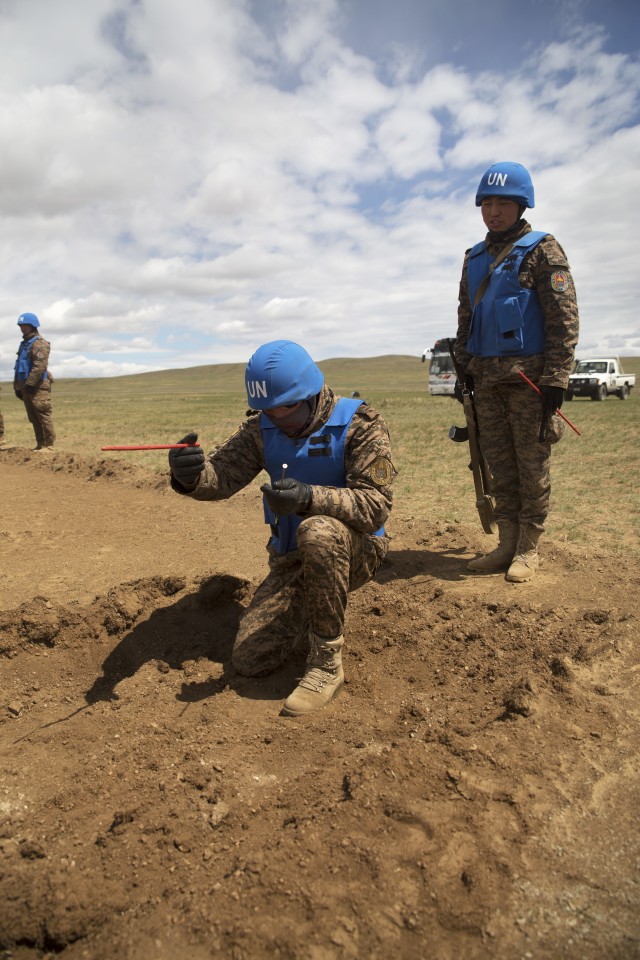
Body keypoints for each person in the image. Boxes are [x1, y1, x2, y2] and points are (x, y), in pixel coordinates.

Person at [168, 340, 395, 716]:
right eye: (267, 409)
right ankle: (314, 602)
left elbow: (376, 507)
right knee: (250, 660)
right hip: (292, 559)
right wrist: (189, 476)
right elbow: (221, 477)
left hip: (357, 549)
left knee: (319, 530)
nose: (276, 417)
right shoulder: (261, 429)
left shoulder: (359, 423)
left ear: (311, 393)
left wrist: (309, 498)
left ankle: (326, 662)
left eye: (285, 407)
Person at [454, 162, 579, 582]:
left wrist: (557, 378)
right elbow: (466, 317)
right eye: (487, 203)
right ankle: (506, 542)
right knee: (499, 466)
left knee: (532, 465)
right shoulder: (473, 258)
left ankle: (529, 547)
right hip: (485, 383)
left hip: (530, 383)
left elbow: (563, 318)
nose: (494, 211)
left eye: (503, 202)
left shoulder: (544, 250)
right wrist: (463, 368)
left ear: (521, 204)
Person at [13, 312, 56, 451]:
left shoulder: (40, 343)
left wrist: (30, 384)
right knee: (33, 417)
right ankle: (40, 444)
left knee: (43, 415)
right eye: (21, 326)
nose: (22, 328)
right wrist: (18, 387)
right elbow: (19, 366)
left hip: (38, 386)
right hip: (26, 386)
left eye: (25, 325)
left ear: (33, 326)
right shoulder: (24, 344)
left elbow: (40, 366)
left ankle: (49, 446)